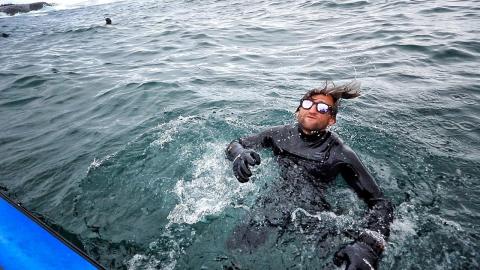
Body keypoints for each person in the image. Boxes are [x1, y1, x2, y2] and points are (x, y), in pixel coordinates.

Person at [225, 81, 394, 270]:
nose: (313, 110)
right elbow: (236, 143)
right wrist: (238, 155)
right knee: (234, 252)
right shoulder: (278, 135)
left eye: (322, 108)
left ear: (332, 120)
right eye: (308, 104)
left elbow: (380, 203)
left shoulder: (340, 154)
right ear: (298, 110)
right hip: (272, 203)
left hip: (315, 215)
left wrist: (369, 246)